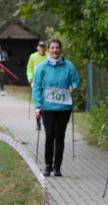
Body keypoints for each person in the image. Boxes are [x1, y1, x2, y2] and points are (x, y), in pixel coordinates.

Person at [32, 39, 80, 176]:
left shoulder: (68, 66)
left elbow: (75, 80)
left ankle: (57, 166)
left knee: (60, 136)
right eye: (52, 48)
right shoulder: (42, 67)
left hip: (64, 107)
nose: (55, 50)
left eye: (57, 48)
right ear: (48, 50)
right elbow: (36, 87)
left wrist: (74, 87)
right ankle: (48, 165)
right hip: (48, 107)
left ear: (60, 50)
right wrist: (37, 106)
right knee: (50, 135)